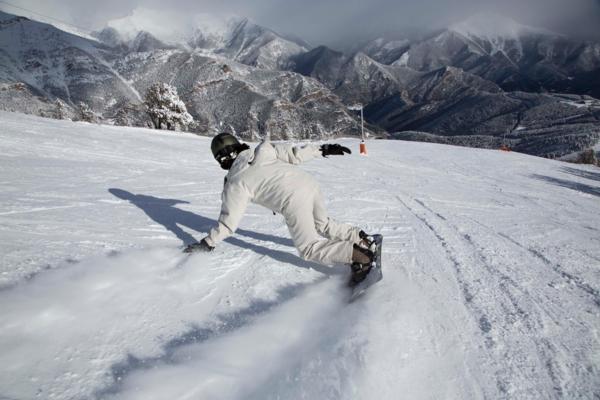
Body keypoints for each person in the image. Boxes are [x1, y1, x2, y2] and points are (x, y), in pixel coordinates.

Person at [185, 132, 377, 285]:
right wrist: (323, 149)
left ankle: (359, 256)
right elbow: (295, 155)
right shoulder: (262, 150)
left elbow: (228, 223)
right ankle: (362, 239)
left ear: (222, 158)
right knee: (323, 223)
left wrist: (208, 243)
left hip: (293, 199)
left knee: (309, 248)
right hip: (309, 183)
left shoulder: (236, 182)